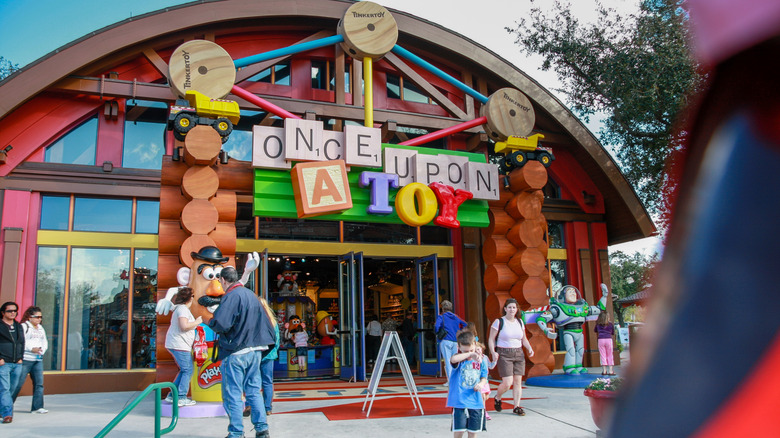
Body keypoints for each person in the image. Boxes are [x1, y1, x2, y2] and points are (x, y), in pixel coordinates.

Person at [207, 267, 275, 438]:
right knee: (253, 391)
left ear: (223, 280)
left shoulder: (231, 296)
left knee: (233, 394)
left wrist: (210, 321)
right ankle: (262, 429)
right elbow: (266, 322)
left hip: (236, 351)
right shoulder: (250, 295)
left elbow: (222, 324)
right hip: (255, 350)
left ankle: (236, 433)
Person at [488, 298, 534, 416]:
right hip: (504, 353)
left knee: (518, 381)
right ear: (505, 309)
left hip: (518, 353)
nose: (512, 309)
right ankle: (498, 397)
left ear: (517, 309)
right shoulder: (499, 322)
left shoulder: (520, 322)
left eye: (514, 307)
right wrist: (493, 352)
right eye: (509, 307)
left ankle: (516, 406)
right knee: (507, 383)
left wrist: (529, 348)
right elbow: (491, 339)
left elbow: (524, 338)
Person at [164, 287, 202, 407]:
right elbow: (184, 326)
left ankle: (172, 395)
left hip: (179, 344)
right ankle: (181, 396)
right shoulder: (183, 309)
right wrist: (197, 322)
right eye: (192, 296)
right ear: (189, 298)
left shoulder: (180, 309)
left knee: (184, 369)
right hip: (179, 344)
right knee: (188, 370)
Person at [446, 329, 488, 437]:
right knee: (459, 431)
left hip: (476, 402)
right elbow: (453, 359)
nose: (468, 353)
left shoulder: (481, 360)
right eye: (465, 351)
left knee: (473, 432)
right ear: (459, 347)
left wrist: (481, 384)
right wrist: (470, 354)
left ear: (474, 344)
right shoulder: (460, 359)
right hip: (460, 402)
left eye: (471, 349)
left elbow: (484, 377)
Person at [11, 306, 48, 413]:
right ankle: (6, 406)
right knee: (18, 384)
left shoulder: (41, 328)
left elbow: (44, 341)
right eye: (37, 317)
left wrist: (42, 350)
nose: (39, 319)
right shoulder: (24, 326)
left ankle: (37, 407)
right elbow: (21, 342)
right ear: (30, 317)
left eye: (41, 317)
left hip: (38, 360)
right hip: (26, 359)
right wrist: (31, 349)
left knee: (39, 384)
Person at [0, 302, 24, 424]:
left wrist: (21, 358)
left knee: (12, 388)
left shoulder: (19, 326)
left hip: (17, 363)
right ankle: (7, 414)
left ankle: (2, 408)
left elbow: (21, 343)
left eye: (15, 311)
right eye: (9, 311)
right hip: (3, 363)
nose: (13, 313)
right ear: (3, 312)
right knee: (4, 388)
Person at [434, 300, 467, 386]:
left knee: (448, 361)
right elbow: (465, 324)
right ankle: (456, 379)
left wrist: (438, 332)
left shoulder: (441, 317)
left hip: (445, 340)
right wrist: (459, 331)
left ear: (443, 308)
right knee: (455, 361)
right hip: (455, 341)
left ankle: (450, 381)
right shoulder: (456, 317)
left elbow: (436, 327)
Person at [594, 312, 615, 376]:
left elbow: (595, 330)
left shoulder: (598, 324)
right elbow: (613, 332)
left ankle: (604, 370)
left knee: (602, 355)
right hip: (608, 339)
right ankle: (611, 371)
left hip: (600, 340)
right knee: (610, 354)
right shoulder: (610, 324)